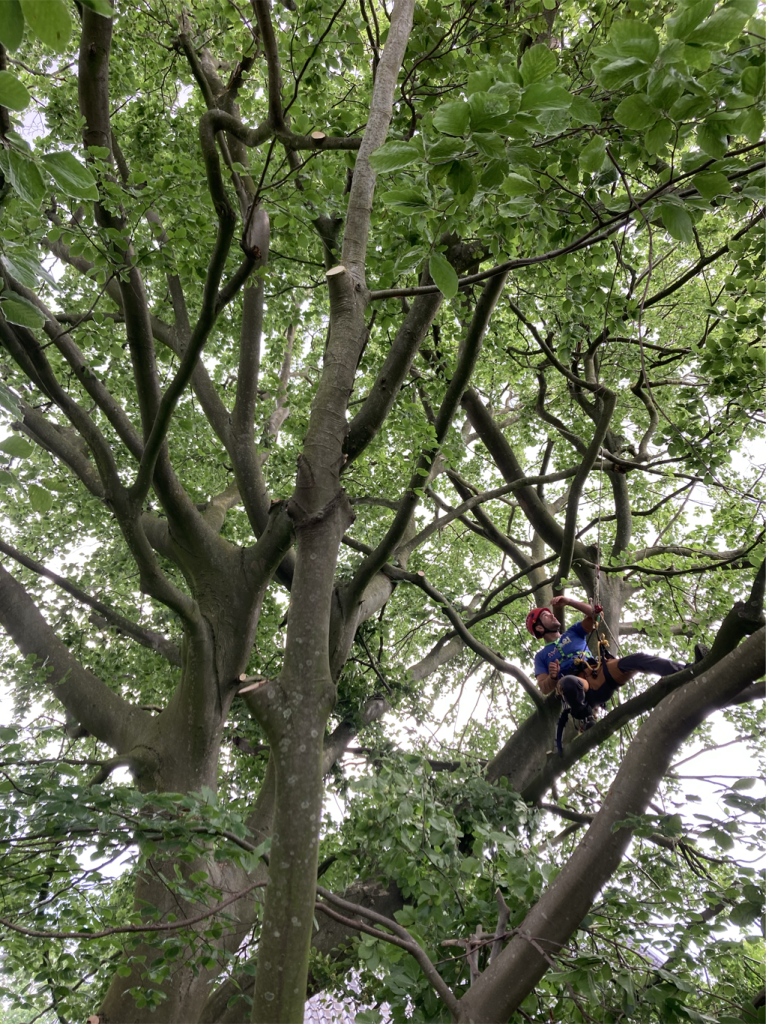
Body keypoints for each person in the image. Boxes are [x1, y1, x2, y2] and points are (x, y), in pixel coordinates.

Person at [526, 594, 709, 751]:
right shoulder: (542, 656)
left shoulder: (573, 632)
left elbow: (597, 615)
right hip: (581, 687)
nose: (552, 616)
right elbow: (544, 687)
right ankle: (586, 717)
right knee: (568, 683)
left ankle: (689, 670)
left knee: (637, 659)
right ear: (540, 628)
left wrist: (569, 601)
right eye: (545, 616)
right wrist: (552, 677)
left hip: (598, 671)